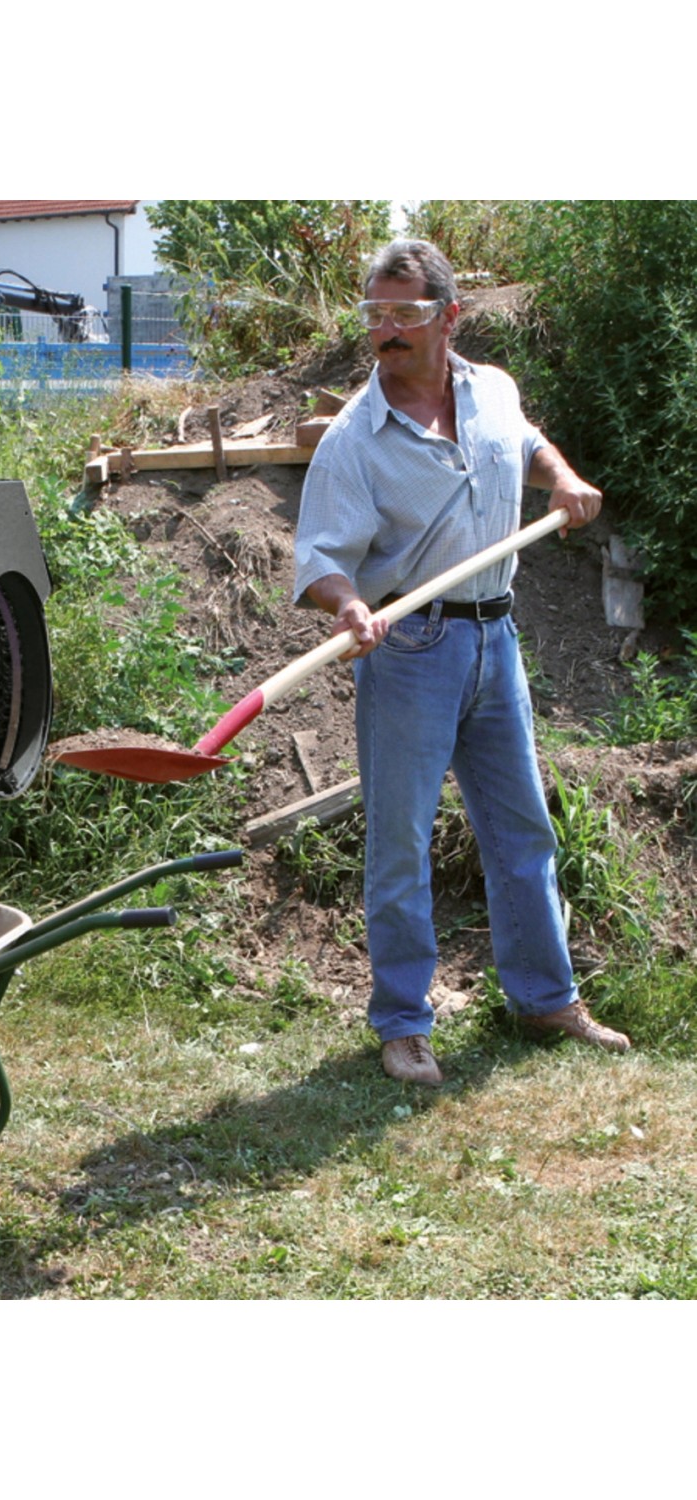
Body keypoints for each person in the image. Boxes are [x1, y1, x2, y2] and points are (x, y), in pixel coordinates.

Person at [292, 237, 630, 1085]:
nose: (387, 330)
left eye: (405, 313)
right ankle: (405, 1022)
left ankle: (546, 999)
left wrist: (562, 476)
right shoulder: (353, 441)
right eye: (375, 315)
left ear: (450, 316)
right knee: (399, 844)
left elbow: (525, 443)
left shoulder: (494, 393)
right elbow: (320, 559)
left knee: (522, 829)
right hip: (409, 648)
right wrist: (349, 603)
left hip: (496, 638)